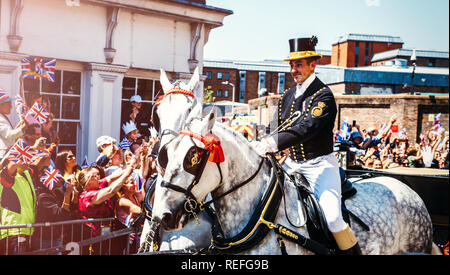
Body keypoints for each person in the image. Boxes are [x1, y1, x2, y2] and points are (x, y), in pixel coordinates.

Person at [252, 36, 361, 254]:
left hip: (320, 167)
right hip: (291, 165)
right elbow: (273, 127)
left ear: (313, 64)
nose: (294, 70)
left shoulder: (323, 96)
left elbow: (306, 128)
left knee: (333, 218)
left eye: (299, 64)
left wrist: (271, 143)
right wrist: (258, 142)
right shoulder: (287, 96)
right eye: (292, 65)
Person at [0, 155, 48, 254]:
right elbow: (11, 166)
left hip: (28, 230)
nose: (27, 161)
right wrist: (18, 153)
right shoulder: (7, 176)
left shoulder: (25, 174)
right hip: (14, 230)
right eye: (23, 159)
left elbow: (36, 165)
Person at [32, 153, 78, 252]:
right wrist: (67, 194)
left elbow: (70, 208)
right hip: (45, 239)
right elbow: (61, 214)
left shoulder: (57, 192)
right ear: (50, 181)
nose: (61, 179)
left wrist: (74, 194)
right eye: (58, 178)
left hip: (56, 236)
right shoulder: (43, 197)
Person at [0, 89, 28, 159]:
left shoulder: (3, 117)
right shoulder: (1, 119)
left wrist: (19, 126)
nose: (11, 107)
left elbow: (7, 135)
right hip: (3, 156)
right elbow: (9, 135)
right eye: (8, 104)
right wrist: (22, 128)